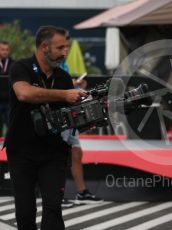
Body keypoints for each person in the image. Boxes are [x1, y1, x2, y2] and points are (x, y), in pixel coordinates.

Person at [4, 25, 86, 230]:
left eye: (66, 48)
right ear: (44, 47)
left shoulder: (63, 77)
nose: (65, 52)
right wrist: (64, 94)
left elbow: (70, 117)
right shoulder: (20, 68)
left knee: (53, 208)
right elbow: (24, 94)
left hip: (53, 153)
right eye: (60, 48)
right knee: (25, 211)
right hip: (21, 151)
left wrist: (90, 113)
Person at [60, 78, 103, 207]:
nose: (64, 55)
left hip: (71, 113)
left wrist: (78, 86)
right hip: (60, 114)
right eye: (63, 54)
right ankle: (57, 194)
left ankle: (82, 192)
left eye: (66, 54)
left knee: (77, 153)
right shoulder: (50, 66)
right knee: (60, 155)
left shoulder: (64, 66)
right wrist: (71, 84)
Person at [0, 41, 13, 136]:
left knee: (11, 126)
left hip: (10, 101)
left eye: (7, 49)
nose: (5, 51)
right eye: (2, 49)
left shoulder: (15, 64)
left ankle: (10, 148)